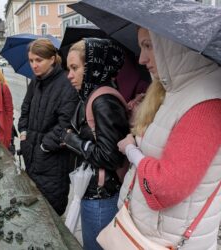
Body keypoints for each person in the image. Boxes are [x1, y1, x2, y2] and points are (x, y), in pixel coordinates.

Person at [117, 27, 221, 250]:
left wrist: (131, 150)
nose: (142, 59)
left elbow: (165, 189)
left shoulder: (205, 102)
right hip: (152, 234)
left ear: (174, 44)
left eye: (148, 46)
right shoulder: (178, 91)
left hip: (167, 240)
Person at [63, 38, 130, 250]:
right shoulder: (91, 94)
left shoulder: (103, 100)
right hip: (93, 191)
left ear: (92, 67)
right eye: (68, 68)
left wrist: (73, 140)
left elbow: (111, 156)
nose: (69, 75)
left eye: (75, 68)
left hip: (102, 197)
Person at [18, 38, 78, 216]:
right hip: (31, 155)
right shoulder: (35, 81)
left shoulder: (66, 83)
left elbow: (65, 124)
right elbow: (25, 108)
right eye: (31, 61)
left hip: (52, 161)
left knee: (50, 212)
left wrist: (44, 146)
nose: (34, 65)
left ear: (52, 59)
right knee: (34, 210)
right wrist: (23, 132)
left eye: (39, 60)